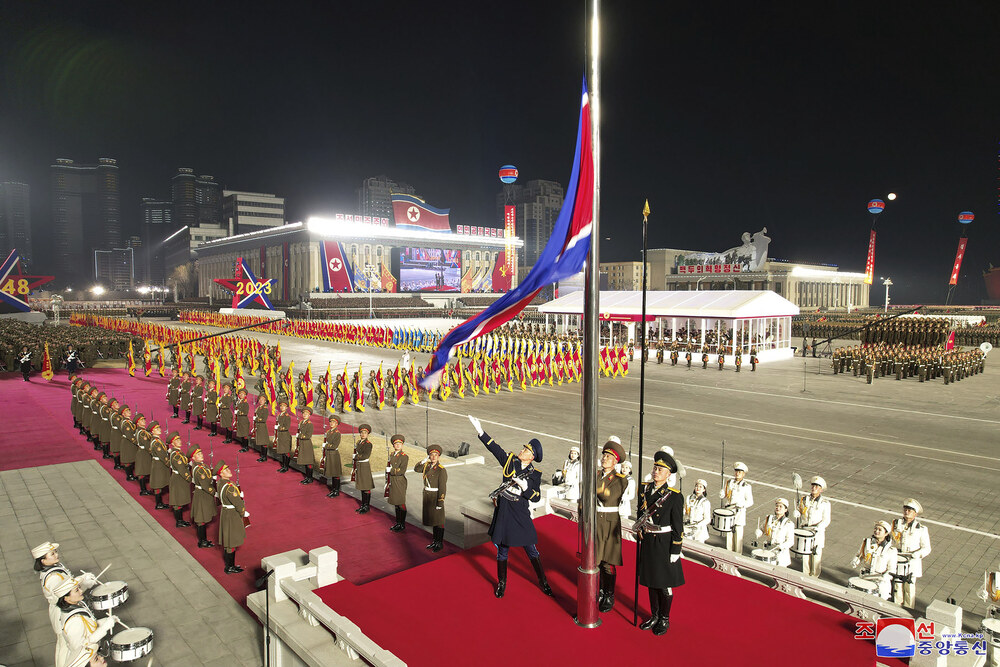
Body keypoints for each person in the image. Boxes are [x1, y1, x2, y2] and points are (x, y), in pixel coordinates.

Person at [467, 414, 553, 599]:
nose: (522, 450)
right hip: (505, 510)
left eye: (527, 450)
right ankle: (502, 583)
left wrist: (525, 487)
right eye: (524, 448)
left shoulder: (534, 474)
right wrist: (480, 431)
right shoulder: (510, 460)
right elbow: (495, 449)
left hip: (520, 512)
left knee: (531, 548)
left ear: (532, 456)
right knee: (503, 549)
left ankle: (543, 582)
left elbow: (536, 497)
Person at [636, 450, 684, 636]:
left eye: (661, 469)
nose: (656, 471)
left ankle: (664, 618)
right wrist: (640, 528)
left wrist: (676, 548)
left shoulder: (674, 496)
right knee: (651, 580)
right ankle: (654, 615)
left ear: (668, 475)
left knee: (664, 584)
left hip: (664, 542)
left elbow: (678, 525)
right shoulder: (645, 489)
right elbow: (641, 513)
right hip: (648, 539)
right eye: (655, 468)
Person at [52, 577, 118, 667]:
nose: (81, 591)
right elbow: (81, 647)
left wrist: (105, 622)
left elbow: (88, 625)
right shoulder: (73, 621)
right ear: (66, 598)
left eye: (79, 588)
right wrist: (104, 628)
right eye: (76, 590)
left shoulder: (75, 605)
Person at [595, 439, 628, 612]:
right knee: (596, 560)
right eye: (604, 455)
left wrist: (593, 486)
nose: (604, 458)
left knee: (608, 562)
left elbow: (608, 496)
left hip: (609, 524)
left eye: (609, 457)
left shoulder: (621, 479)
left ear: (616, 461)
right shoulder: (596, 475)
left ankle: (609, 594)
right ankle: (598, 589)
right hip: (595, 521)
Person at [891, 498, 931, 609]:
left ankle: (908, 612)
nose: (906, 512)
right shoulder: (895, 524)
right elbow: (890, 540)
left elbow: (926, 548)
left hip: (912, 563)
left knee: (909, 590)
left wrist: (916, 555)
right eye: (905, 509)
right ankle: (895, 611)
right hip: (898, 561)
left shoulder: (921, 529)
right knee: (897, 589)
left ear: (915, 513)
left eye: (910, 510)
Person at [851, 520, 898, 600]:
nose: (876, 531)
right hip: (865, 577)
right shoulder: (866, 542)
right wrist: (855, 561)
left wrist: (885, 576)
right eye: (875, 529)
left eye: (880, 530)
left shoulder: (891, 550)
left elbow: (892, 569)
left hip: (880, 581)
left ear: (886, 533)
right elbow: (860, 554)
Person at [795, 476, 831, 577]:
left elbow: (826, 519)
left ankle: (814, 578)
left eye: (817, 486)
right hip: (806, 530)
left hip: (817, 532)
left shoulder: (825, 503)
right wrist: (797, 512)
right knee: (805, 557)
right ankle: (805, 576)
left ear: (821, 489)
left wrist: (819, 527)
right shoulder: (804, 499)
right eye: (813, 485)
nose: (814, 488)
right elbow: (800, 509)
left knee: (815, 557)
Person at [414, 444, 448, 551]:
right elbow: (416, 469)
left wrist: (440, 502)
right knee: (433, 520)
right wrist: (424, 460)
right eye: (431, 455)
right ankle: (434, 541)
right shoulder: (426, 466)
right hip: (427, 496)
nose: (433, 457)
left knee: (438, 521)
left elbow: (442, 487)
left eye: (435, 455)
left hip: (435, 496)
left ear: (439, 457)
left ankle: (439, 543)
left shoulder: (441, 470)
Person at [216, 460, 247, 574]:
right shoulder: (229, 487)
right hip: (232, 514)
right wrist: (243, 512)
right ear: (221, 474)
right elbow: (238, 503)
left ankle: (230, 565)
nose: (229, 471)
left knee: (229, 540)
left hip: (226, 513)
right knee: (231, 541)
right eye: (225, 470)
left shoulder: (221, 483)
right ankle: (230, 567)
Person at [720, 461, 753, 554]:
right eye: (736, 471)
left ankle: (738, 556)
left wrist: (742, 504)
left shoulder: (746, 486)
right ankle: (728, 554)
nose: (737, 473)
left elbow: (750, 501)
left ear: (743, 474)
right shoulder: (729, 482)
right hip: (729, 511)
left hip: (739, 513)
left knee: (738, 537)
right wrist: (722, 494)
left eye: (740, 472)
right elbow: (726, 494)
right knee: (729, 536)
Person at [190, 444, 216, 548]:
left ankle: (204, 539)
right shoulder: (199, 469)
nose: (201, 455)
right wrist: (215, 492)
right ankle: (202, 541)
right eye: (198, 454)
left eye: (201, 453)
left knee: (204, 517)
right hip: (202, 495)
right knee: (201, 518)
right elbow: (205, 485)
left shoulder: (202, 465)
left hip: (203, 494)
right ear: (193, 458)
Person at [756, 498, 794, 566]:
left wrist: (781, 546)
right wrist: (759, 532)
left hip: (780, 553)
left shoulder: (789, 524)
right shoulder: (769, 519)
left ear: (785, 510)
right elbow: (762, 529)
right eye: (777, 506)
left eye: (780, 506)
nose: (778, 508)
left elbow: (790, 541)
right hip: (768, 550)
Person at [167, 431, 192, 527]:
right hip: (178, 479)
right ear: (173, 443)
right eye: (177, 440)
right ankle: (179, 521)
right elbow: (181, 468)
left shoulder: (178, 452)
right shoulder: (176, 455)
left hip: (179, 478)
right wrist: (189, 478)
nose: (180, 441)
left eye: (179, 439)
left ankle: (180, 519)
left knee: (180, 499)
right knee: (178, 501)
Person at [386, 434, 409, 532]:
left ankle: (402, 524)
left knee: (400, 502)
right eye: (396, 443)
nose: (398, 445)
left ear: (402, 445)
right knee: (395, 502)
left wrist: (391, 470)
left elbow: (401, 470)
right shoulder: (391, 455)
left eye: (400, 443)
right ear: (393, 445)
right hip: (392, 480)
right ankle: (398, 522)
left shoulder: (404, 456)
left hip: (399, 481)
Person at [353, 424, 375, 513]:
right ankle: (363, 504)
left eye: (365, 433)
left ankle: (366, 506)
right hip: (359, 465)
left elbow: (366, 455)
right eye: (362, 432)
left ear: (368, 434)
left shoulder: (368, 444)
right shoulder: (358, 442)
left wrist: (356, 457)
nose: (363, 434)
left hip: (364, 466)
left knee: (366, 486)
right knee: (362, 486)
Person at [149, 422, 171, 510]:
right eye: (156, 429)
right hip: (159, 464)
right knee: (158, 483)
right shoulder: (156, 443)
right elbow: (162, 455)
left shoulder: (157, 440)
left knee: (160, 482)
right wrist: (169, 463)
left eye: (159, 428)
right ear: (152, 431)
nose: (159, 429)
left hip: (158, 463)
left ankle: (160, 502)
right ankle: (158, 503)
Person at [684, 479, 711, 544]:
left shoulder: (705, 502)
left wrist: (698, 525)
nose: (698, 488)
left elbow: (707, 519)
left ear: (704, 490)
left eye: (700, 487)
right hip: (688, 526)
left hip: (699, 529)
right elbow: (685, 511)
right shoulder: (689, 498)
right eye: (696, 486)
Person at [322, 415, 343, 498]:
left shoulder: (337, 433)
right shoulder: (328, 432)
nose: (331, 423)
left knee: (335, 473)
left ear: (337, 424)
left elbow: (334, 445)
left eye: (333, 422)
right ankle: (333, 489)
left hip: (334, 454)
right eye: (330, 422)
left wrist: (326, 446)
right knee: (332, 472)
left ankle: (336, 490)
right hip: (329, 454)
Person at [295, 406, 316, 484]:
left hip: (307, 444)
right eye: (303, 413)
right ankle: (307, 477)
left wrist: (299, 436)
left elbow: (308, 436)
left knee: (308, 462)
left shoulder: (309, 424)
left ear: (309, 415)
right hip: (302, 443)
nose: (304, 415)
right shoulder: (301, 422)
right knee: (304, 461)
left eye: (306, 414)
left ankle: (310, 478)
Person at [274, 400, 293, 472]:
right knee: (282, 451)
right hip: (281, 435)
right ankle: (284, 465)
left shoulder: (287, 416)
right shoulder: (280, 415)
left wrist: (278, 428)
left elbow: (286, 427)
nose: (282, 407)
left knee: (286, 452)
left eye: (284, 406)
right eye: (281, 406)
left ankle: (286, 467)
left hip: (285, 436)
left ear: (287, 407)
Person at [253, 397, 270, 463]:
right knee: (261, 441)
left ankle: (264, 456)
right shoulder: (258, 408)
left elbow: (263, 419)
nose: (260, 401)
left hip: (262, 426)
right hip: (258, 426)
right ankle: (262, 455)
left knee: (263, 442)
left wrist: (256, 419)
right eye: (259, 399)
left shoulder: (265, 409)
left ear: (265, 401)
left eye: (262, 400)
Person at [235, 388, 251, 453]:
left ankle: (246, 447)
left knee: (245, 434)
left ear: (245, 395)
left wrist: (238, 412)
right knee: (241, 433)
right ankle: (243, 445)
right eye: (240, 394)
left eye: (243, 394)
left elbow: (245, 412)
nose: (241, 395)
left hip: (244, 420)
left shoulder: (245, 403)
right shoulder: (238, 402)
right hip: (239, 420)